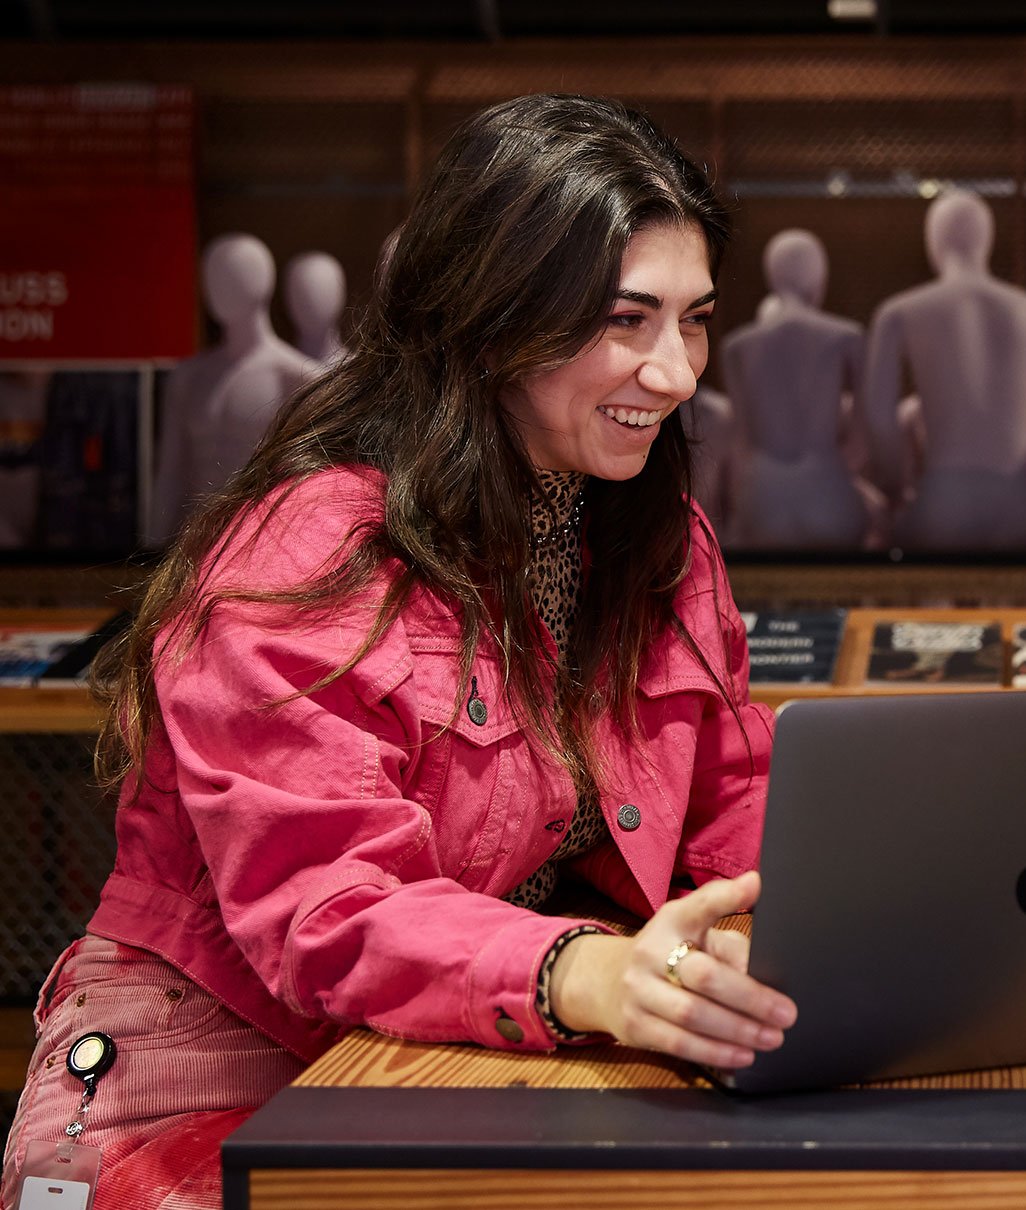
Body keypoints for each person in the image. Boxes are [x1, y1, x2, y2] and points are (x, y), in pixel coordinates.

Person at [2, 94, 798, 1209]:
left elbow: (726, 795)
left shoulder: (652, 535)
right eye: (626, 320)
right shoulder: (309, 551)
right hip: (210, 1075)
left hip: (462, 1050)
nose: (674, 373)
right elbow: (330, 905)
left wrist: (824, 918)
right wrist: (589, 969)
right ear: (493, 316)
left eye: (695, 319)